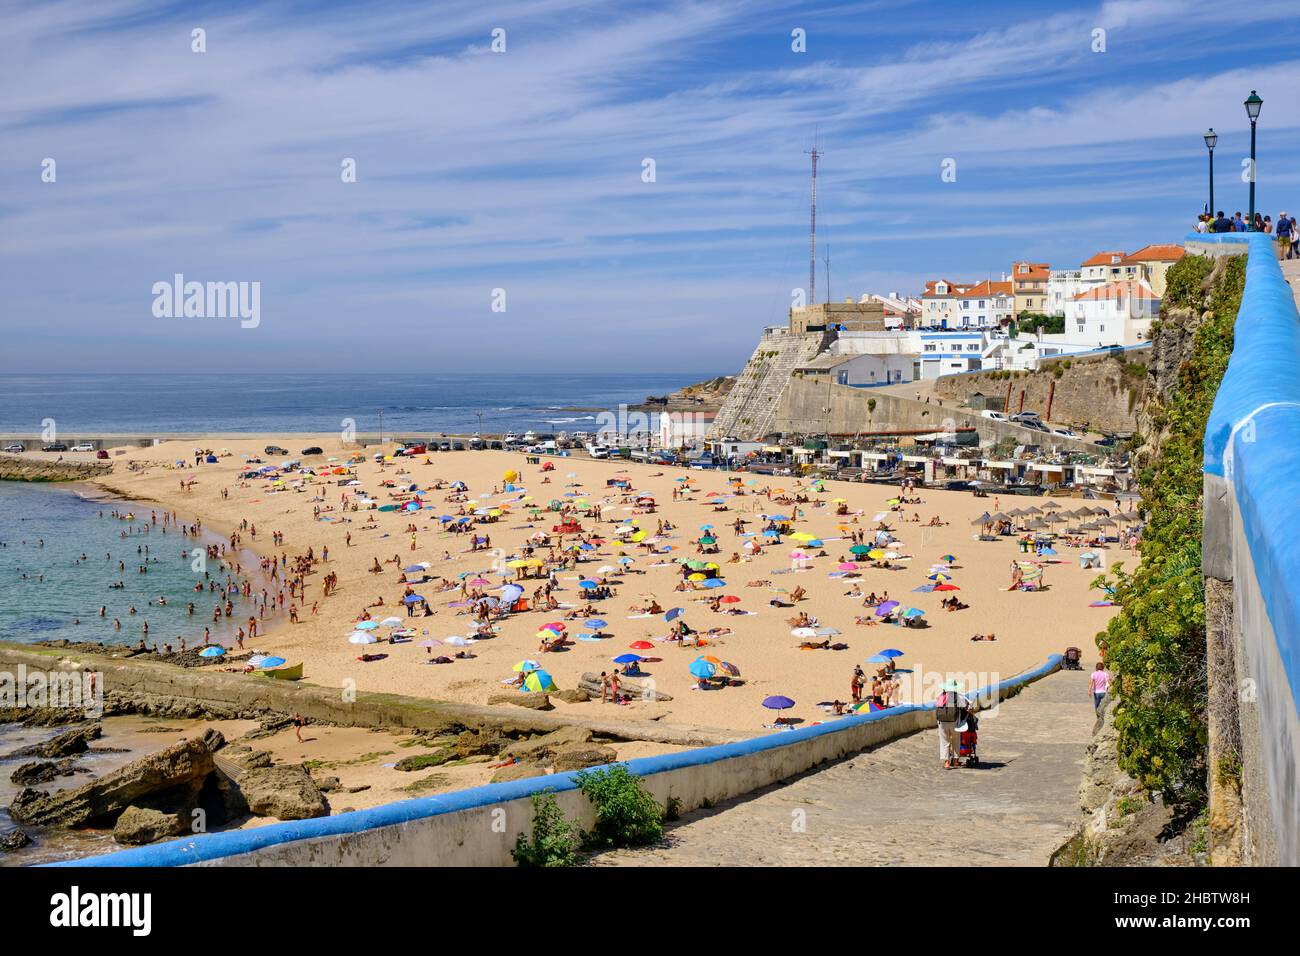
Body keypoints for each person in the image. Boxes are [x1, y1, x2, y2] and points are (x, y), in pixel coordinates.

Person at [935, 680, 970, 769]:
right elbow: (965, 706)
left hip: (942, 722)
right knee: (956, 740)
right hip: (954, 721)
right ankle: (955, 762)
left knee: (944, 742)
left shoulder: (941, 695)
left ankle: (946, 763)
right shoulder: (958, 696)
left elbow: (936, 705)